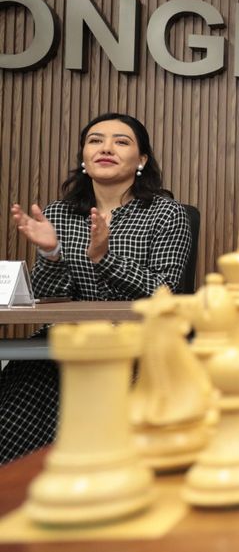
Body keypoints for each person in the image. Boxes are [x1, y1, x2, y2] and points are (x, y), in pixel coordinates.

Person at [5, 112, 192, 463]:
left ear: (142, 160)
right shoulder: (59, 214)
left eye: (121, 142)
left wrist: (104, 258)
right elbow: (47, 296)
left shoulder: (166, 214)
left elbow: (165, 291)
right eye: (95, 140)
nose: (106, 148)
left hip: (136, 346)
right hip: (65, 342)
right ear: (83, 155)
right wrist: (51, 251)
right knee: (15, 407)